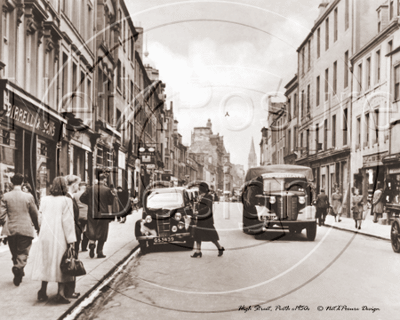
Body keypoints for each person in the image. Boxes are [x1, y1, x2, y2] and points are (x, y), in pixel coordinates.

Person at [31, 177, 76, 304]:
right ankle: (60, 293)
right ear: (65, 187)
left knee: (46, 262)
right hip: (60, 236)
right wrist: (71, 241)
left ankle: (42, 291)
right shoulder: (67, 201)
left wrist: (42, 230)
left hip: (46, 235)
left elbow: (40, 218)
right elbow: (68, 222)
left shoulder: (44, 199)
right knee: (61, 264)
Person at [0, 173, 39, 286]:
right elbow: (34, 214)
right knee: (23, 252)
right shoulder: (28, 196)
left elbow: (1, 215)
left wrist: (6, 224)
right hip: (25, 229)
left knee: (14, 252)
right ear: (22, 183)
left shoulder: (5, 196)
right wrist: (37, 226)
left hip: (11, 229)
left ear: (12, 182)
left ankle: (19, 272)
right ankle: (18, 268)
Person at [80, 173, 115, 259]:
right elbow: (110, 202)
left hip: (92, 213)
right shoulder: (107, 190)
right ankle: (99, 252)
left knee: (92, 229)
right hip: (103, 214)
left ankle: (92, 244)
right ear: (104, 180)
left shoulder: (90, 188)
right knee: (102, 232)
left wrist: (90, 203)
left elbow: (82, 198)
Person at [191, 182, 224, 258]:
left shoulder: (208, 196)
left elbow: (207, 207)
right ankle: (198, 251)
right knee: (197, 235)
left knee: (212, 237)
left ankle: (220, 248)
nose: (199, 190)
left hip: (207, 220)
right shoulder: (201, 196)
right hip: (200, 219)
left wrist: (198, 211)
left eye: (200, 189)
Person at [64, 175, 81, 300]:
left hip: (73, 232)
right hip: (72, 234)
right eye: (78, 184)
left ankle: (68, 289)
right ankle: (69, 291)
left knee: (70, 260)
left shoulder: (70, 197)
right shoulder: (68, 198)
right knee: (72, 261)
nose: (78, 187)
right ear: (73, 184)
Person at [74, 182, 89, 251]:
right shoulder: (87, 194)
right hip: (86, 215)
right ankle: (84, 247)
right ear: (85, 187)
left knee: (78, 231)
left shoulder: (75, 195)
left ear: (79, 187)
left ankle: (77, 246)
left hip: (78, 216)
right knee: (86, 231)